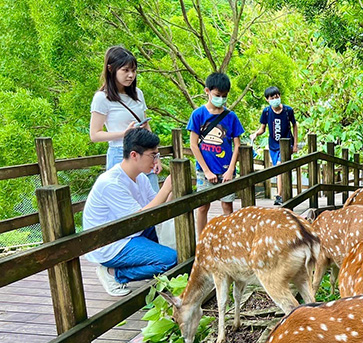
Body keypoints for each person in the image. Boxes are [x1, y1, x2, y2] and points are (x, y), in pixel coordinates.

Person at [84, 129, 177, 297]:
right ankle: (114, 273)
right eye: (153, 155)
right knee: (170, 259)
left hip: (130, 231)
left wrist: (172, 189)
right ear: (134, 155)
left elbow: (156, 208)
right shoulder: (111, 183)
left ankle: (145, 267)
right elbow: (141, 218)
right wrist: (166, 188)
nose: (156, 161)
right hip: (110, 243)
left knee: (175, 243)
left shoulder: (140, 177)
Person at [90, 46, 161, 191]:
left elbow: (147, 127)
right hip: (120, 154)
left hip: (145, 153)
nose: (131, 75)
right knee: (125, 204)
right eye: (125, 70)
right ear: (111, 69)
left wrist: (156, 156)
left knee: (152, 202)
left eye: (133, 71)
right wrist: (125, 134)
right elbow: (95, 135)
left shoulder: (138, 94)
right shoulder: (102, 98)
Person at [188, 72, 245, 234]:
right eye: (217, 95)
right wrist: (206, 170)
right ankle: (202, 241)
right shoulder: (198, 115)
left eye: (224, 96)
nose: (221, 99)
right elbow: (193, 144)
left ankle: (230, 240)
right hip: (204, 169)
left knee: (227, 205)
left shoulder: (231, 117)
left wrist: (231, 170)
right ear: (207, 91)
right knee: (202, 207)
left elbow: (237, 144)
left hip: (225, 168)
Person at [251, 86, 298, 205]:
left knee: (280, 165)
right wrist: (255, 134)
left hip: (286, 144)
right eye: (272, 97)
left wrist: (295, 144)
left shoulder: (288, 110)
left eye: (277, 96)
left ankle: (279, 195)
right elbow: (263, 128)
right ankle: (283, 194)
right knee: (278, 170)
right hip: (273, 145)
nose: (275, 99)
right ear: (267, 99)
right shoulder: (266, 112)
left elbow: (295, 125)